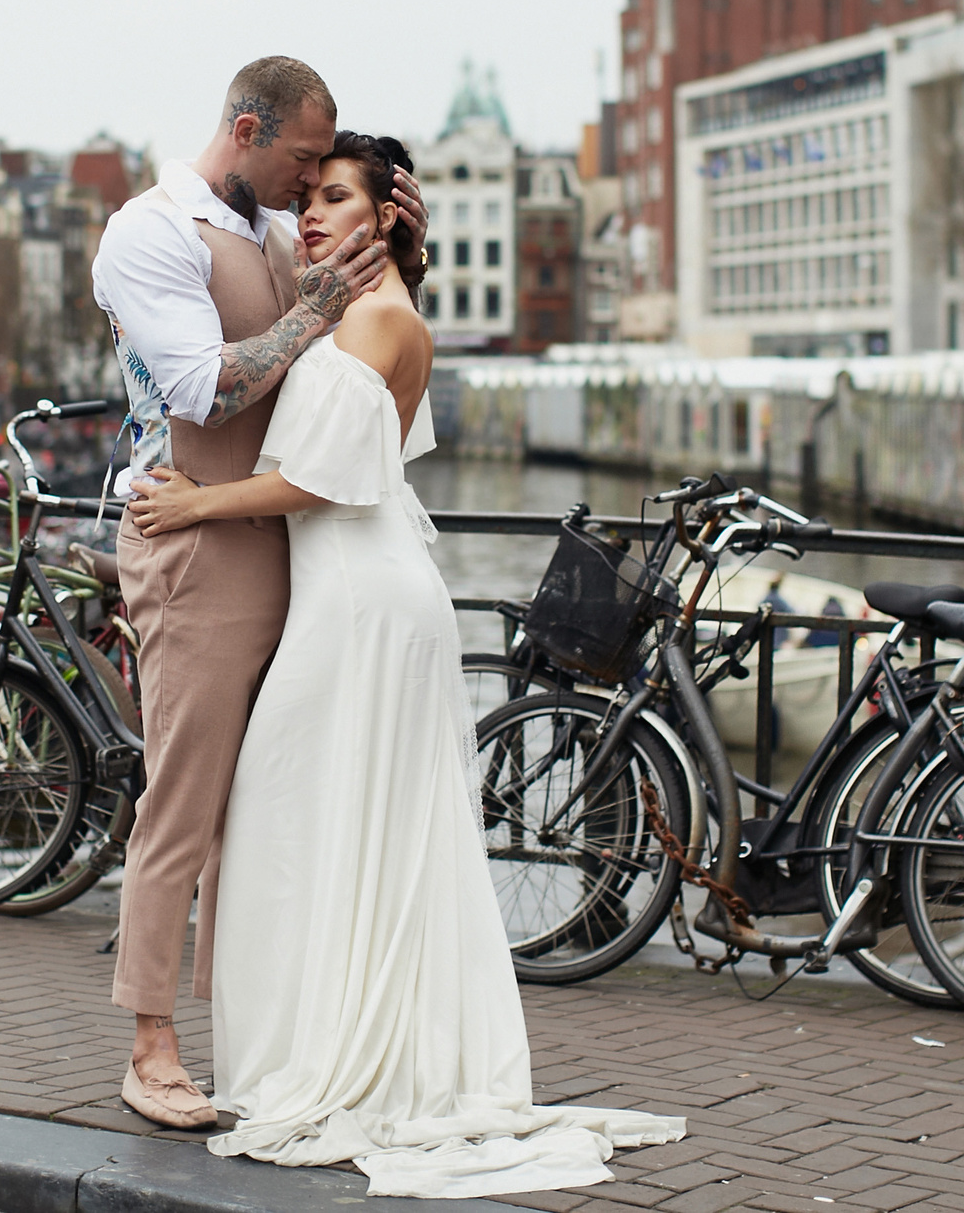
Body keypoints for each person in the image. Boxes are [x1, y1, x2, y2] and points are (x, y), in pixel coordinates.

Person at [128, 134, 683, 1197]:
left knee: (295, 814)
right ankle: (337, 1036)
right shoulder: (360, 309)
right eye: (310, 200)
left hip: (361, 600)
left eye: (337, 199)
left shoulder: (378, 320)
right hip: (360, 593)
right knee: (338, 820)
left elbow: (322, 482)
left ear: (384, 215)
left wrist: (192, 503)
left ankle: (336, 1054)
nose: (313, 217)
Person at [89, 56, 424, 1129]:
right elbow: (201, 385)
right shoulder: (150, 232)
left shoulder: (279, 238)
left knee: (263, 812)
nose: (306, 180)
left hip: (288, 549)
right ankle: (149, 1048)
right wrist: (313, 305)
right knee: (181, 805)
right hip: (195, 549)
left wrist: (402, 245)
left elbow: (369, 364)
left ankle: (244, 1032)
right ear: (245, 129)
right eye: (298, 161)